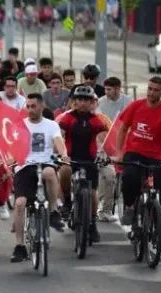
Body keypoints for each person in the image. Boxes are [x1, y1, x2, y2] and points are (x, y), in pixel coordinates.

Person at [114, 77, 161, 226]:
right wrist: (119, 152)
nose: (151, 93)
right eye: (149, 89)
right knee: (129, 177)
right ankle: (130, 207)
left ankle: (157, 229)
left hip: (155, 156)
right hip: (133, 152)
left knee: (159, 188)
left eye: (156, 90)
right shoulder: (135, 106)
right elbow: (123, 130)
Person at [10, 93, 68, 263]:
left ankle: (53, 210)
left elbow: (59, 142)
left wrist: (64, 154)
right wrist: (11, 158)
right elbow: (13, 146)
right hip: (25, 166)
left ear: (42, 107)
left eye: (33, 106)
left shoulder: (51, 125)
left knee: (50, 173)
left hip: (45, 163)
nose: (30, 110)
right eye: (27, 106)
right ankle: (19, 246)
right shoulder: (20, 125)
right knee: (20, 204)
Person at [57, 85, 108, 243]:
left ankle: (92, 224)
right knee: (64, 171)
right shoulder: (68, 118)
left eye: (87, 100)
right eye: (80, 100)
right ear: (74, 102)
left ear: (92, 102)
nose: (83, 103)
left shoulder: (95, 120)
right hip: (71, 158)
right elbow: (60, 135)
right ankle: (66, 201)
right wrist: (60, 153)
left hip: (90, 160)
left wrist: (104, 152)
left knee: (92, 193)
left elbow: (102, 138)